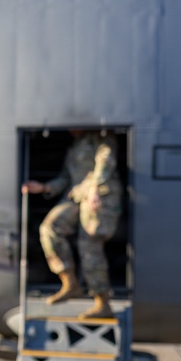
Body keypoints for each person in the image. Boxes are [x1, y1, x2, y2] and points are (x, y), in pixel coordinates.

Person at [21, 129, 122, 318]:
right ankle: (70, 282)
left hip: (98, 195)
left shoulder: (99, 137)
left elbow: (106, 160)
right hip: (77, 194)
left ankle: (102, 302)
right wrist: (44, 187)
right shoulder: (74, 147)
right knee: (49, 228)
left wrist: (95, 187)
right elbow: (67, 178)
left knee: (89, 244)